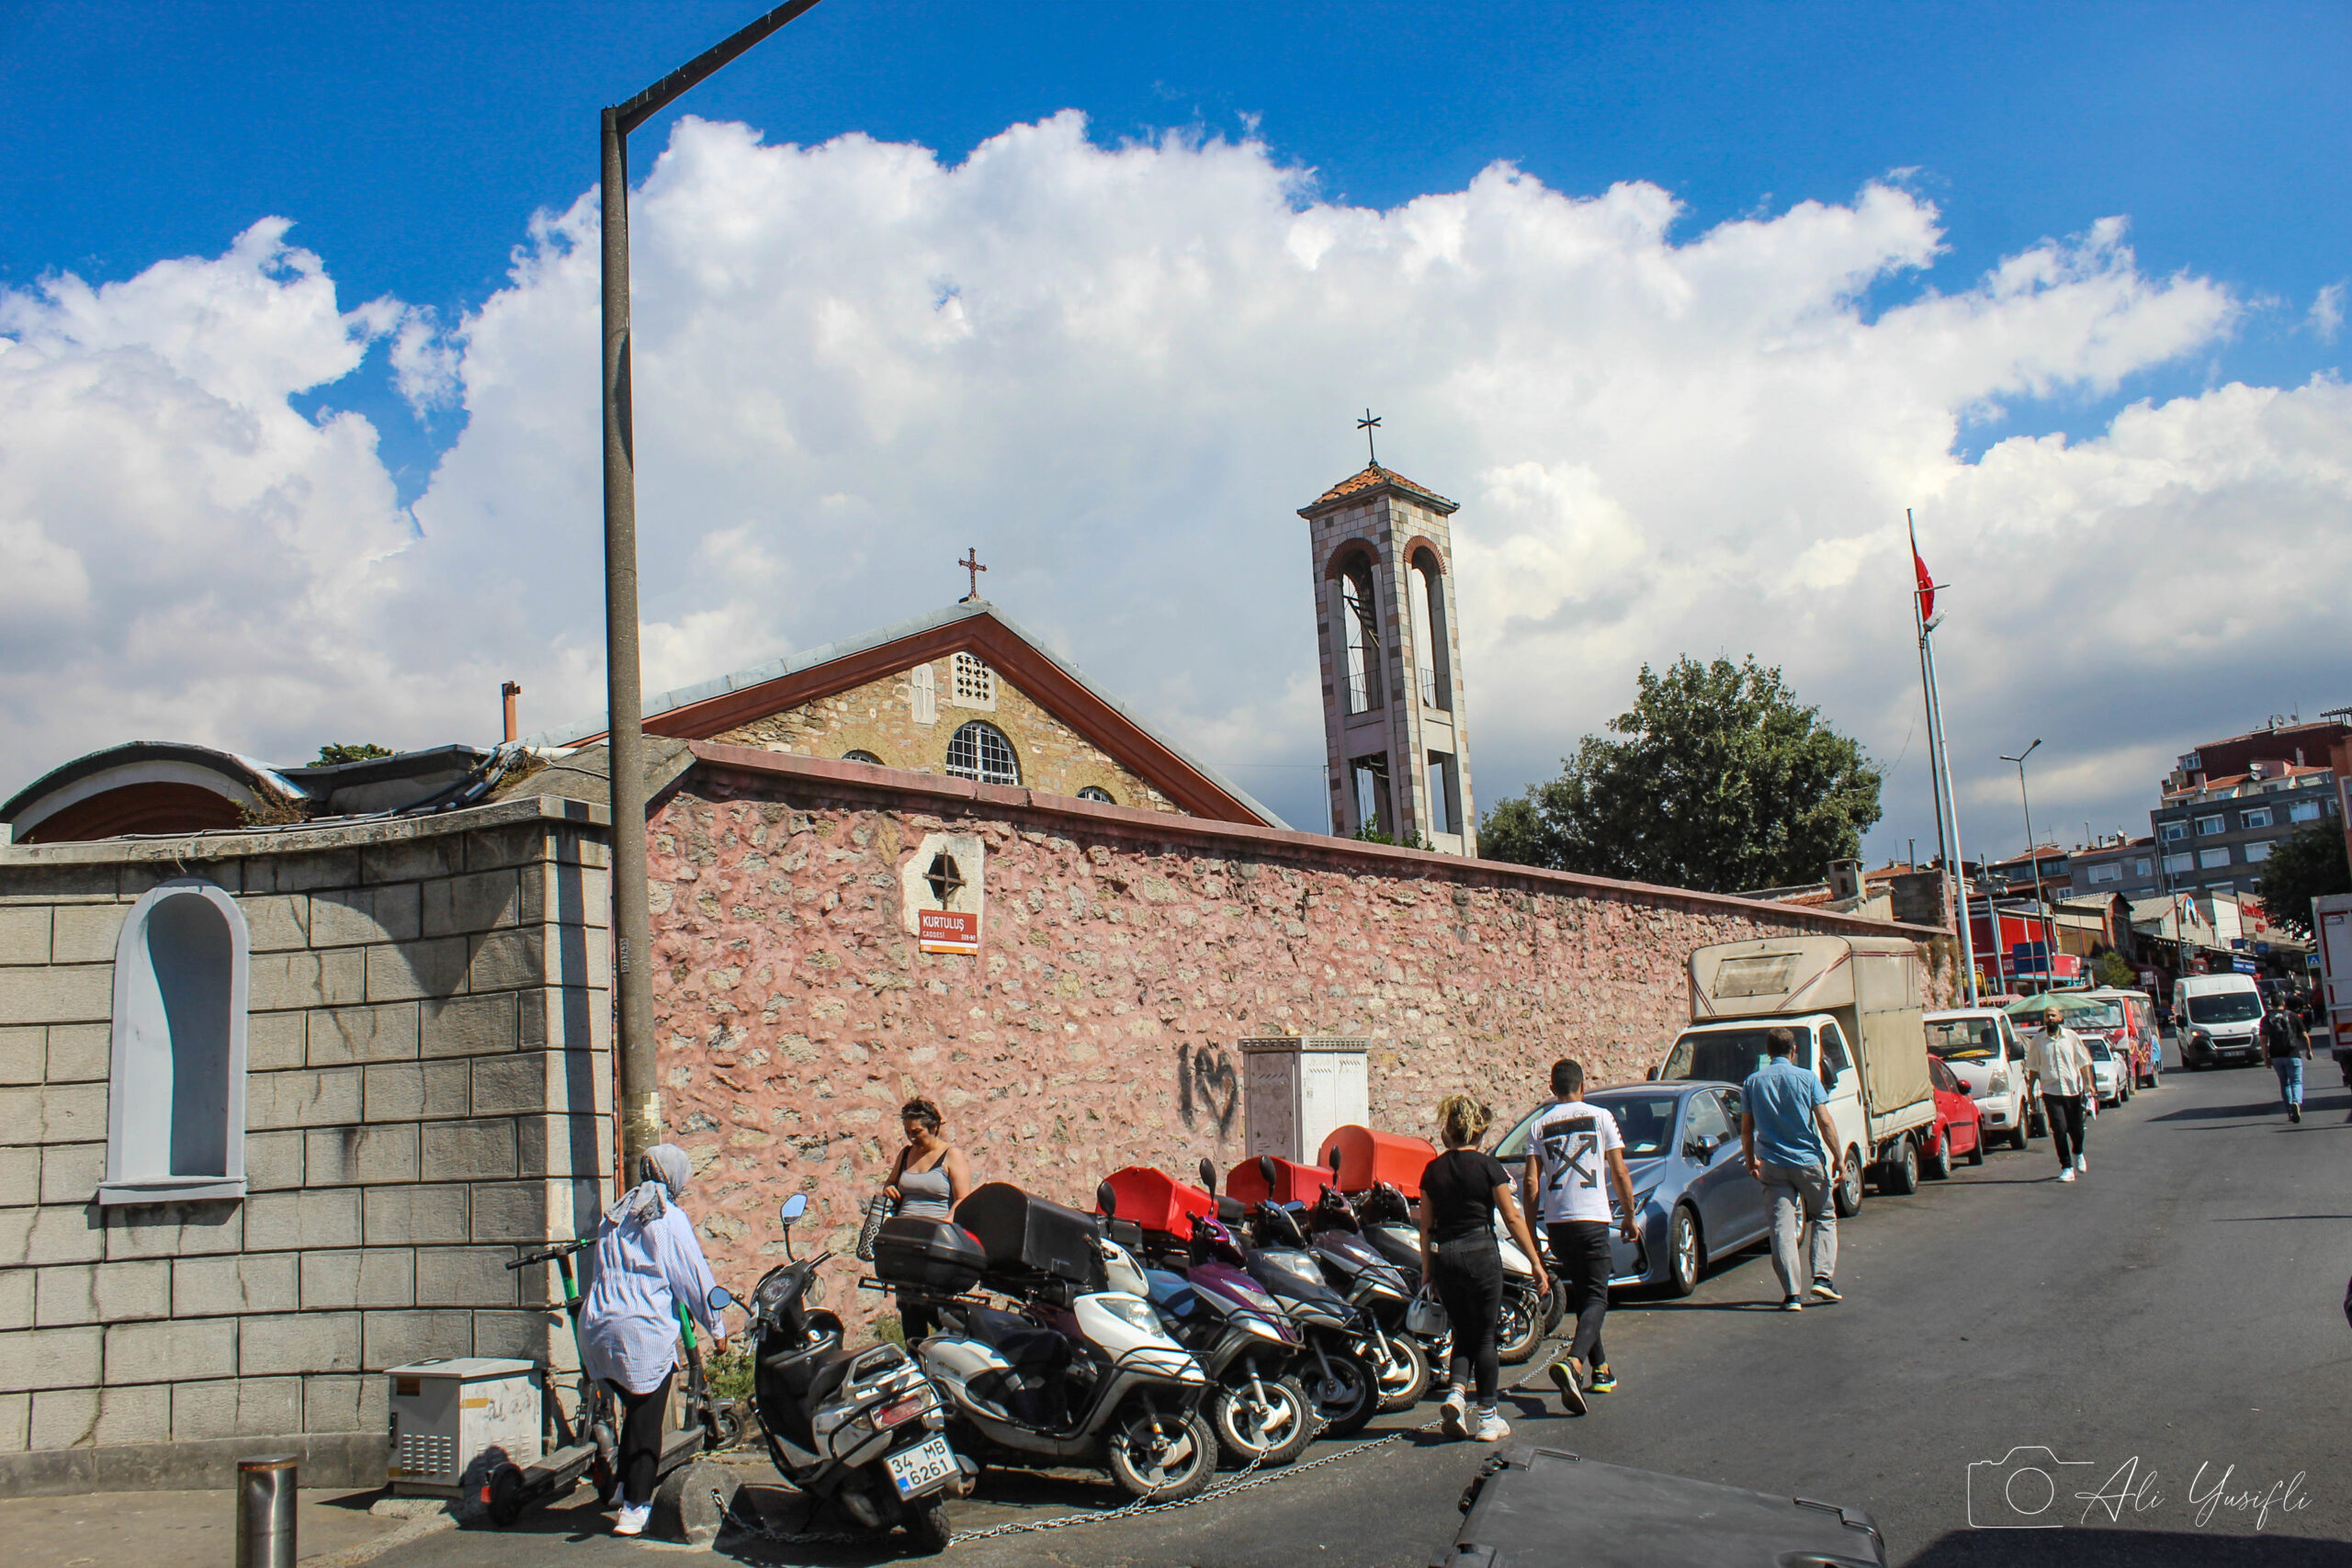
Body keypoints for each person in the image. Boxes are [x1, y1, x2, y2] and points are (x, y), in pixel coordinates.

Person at [579, 1145, 724, 1537]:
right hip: (640, 1329)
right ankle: (635, 1506)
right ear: (675, 1178)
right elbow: (694, 1277)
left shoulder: (616, 1213)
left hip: (597, 1325)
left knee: (632, 1405)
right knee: (646, 1420)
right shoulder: (668, 1218)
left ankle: (622, 1484)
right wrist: (718, 1327)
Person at [1419, 1093, 1550, 1443]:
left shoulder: (1432, 1170)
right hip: (1480, 1252)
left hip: (1445, 1255)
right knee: (1487, 1336)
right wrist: (1535, 1262)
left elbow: (1426, 1227)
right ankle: (1488, 1417)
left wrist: (1427, 1270)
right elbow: (1511, 1216)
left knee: (1462, 1330)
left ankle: (1456, 1396)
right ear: (1479, 1131)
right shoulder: (1490, 1167)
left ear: (1450, 1131)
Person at [1521, 1059, 1638, 1416]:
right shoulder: (1601, 1117)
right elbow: (1618, 1170)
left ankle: (1600, 1370)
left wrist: (1530, 1230)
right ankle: (1572, 1363)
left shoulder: (1538, 1125)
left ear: (1552, 1088)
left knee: (1585, 1294)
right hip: (1592, 1218)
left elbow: (1529, 1183)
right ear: (1582, 1086)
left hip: (1558, 1223)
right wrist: (1629, 1215)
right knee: (1599, 1298)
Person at [1739, 1027, 1845, 1310]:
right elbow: (1824, 1121)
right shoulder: (1808, 1078)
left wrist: (1750, 1160)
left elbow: (1747, 1130)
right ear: (1793, 1050)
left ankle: (1792, 1294)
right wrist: (1839, 1156)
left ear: (1768, 1052)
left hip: (1772, 1165)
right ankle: (1822, 1277)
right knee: (1823, 1214)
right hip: (1808, 1161)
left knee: (1782, 1228)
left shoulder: (1752, 1082)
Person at [885, 1098, 972, 1342]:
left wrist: (946, 1222)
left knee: (934, 1306)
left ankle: (952, 1352)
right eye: (907, 1132)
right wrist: (889, 1188)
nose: (912, 1138)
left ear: (933, 1128)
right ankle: (915, 1358)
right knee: (909, 1306)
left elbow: (963, 1198)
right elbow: (891, 1183)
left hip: (935, 1243)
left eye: (917, 1132)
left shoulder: (951, 1155)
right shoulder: (905, 1155)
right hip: (904, 1243)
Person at [2026, 1006, 2095, 1179]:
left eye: (2053, 1015)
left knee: (2076, 1128)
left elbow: (2083, 1062)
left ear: (2060, 1018)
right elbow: (2033, 1068)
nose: (2050, 1019)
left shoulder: (2071, 1037)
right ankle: (2066, 1167)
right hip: (2051, 1091)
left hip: (2072, 1089)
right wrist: (2030, 1092)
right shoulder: (2038, 1041)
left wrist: (2089, 1084)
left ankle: (2078, 1152)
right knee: (2059, 1129)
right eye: (2047, 1016)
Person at [2262, 997, 2312, 1122]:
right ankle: (2296, 1102)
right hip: (2292, 1053)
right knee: (2296, 1082)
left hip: (2276, 1056)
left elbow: (2263, 1040)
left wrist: (2266, 1057)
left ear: (2271, 1004)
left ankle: (2290, 1112)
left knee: (2284, 1084)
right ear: (2283, 1003)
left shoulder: (2266, 1019)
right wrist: (2308, 1050)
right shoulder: (2292, 1016)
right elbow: (2304, 1035)